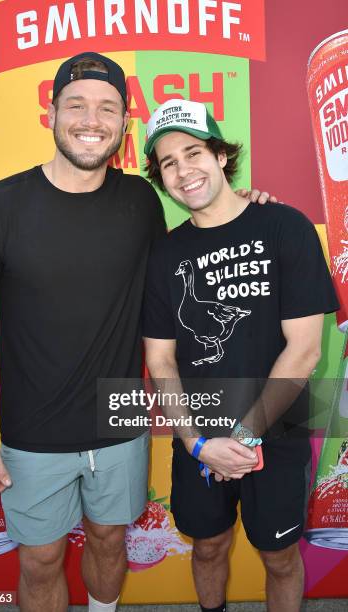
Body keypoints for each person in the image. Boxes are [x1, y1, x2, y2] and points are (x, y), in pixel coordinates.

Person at [0, 54, 272, 612]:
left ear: (125, 124)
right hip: (32, 429)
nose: (90, 119)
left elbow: (195, 248)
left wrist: (250, 211)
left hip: (119, 418)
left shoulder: (141, 201)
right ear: (51, 114)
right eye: (75, 105)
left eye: (107, 108)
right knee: (40, 559)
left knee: (109, 538)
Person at [143, 99, 339, 612]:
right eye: (168, 162)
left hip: (277, 431)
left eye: (193, 152)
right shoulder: (164, 255)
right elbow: (161, 361)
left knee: (278, 556)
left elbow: (305, 350)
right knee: (207, 547)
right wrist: (197, 443)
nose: (184, 169)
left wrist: (245, 439)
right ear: (161, 179)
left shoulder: (285, 228)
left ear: (221, 157)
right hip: (201, 440)